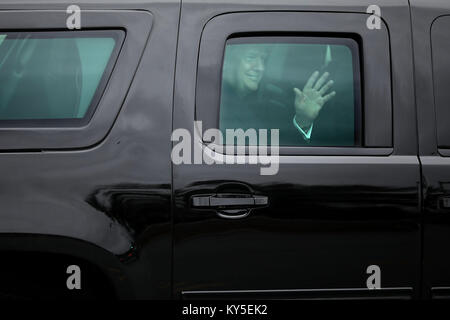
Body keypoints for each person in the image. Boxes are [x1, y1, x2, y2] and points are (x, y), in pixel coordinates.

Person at [219, 43, 338, 146]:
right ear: (227, 61)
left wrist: (303, 120)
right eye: (251, 57)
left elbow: (282, 154)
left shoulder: (264, 107)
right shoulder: (215, 103)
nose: (260, 68)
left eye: (263, 60)